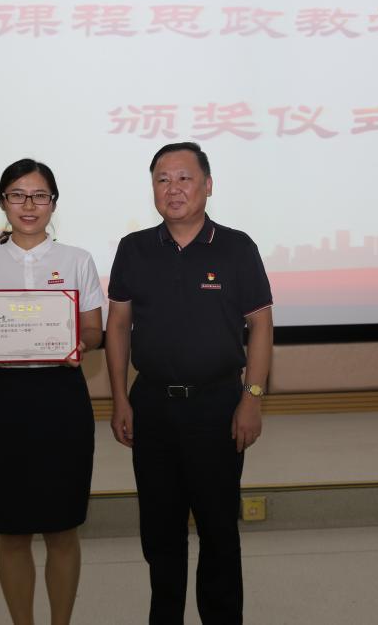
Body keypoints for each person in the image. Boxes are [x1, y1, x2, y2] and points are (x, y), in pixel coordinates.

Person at [105, 141, 273, 624]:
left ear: (208, 185)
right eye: (162, 179)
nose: (173, 189)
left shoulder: (237, 248)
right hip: (152, 405)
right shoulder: (134, 249)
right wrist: (119, 399)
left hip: (218, 406)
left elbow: (261, 325)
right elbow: (118, 326)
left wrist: (252, 398)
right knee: (160, 533)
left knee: (219, 530)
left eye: (184, 178)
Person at [0, 158, 105, 625]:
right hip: (5, 400)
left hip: (62, 397)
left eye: (39, 196)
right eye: (17, 195)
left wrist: (80, 342)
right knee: (11, 529)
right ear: (3, 202)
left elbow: (94, 331)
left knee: (62, 529)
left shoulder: (77, 260)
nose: (29, 205)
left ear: (53, 203)